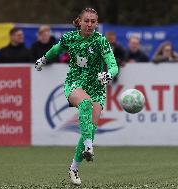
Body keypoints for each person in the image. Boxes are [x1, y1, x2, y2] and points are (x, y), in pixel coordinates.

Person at [35, 8, 118, 186]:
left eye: (93, 21)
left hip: (97, 87)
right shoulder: (70, 38)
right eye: (86, 21)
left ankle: (73, 168)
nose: (89, 25)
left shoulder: (100, 41)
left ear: (97, 23)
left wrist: (108, 74)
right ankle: (89, 146)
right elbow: (56, 50)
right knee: (85, 103)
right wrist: (43, 59)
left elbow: (113, 65)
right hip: (75, 83)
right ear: (79, 21)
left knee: (91, 127)